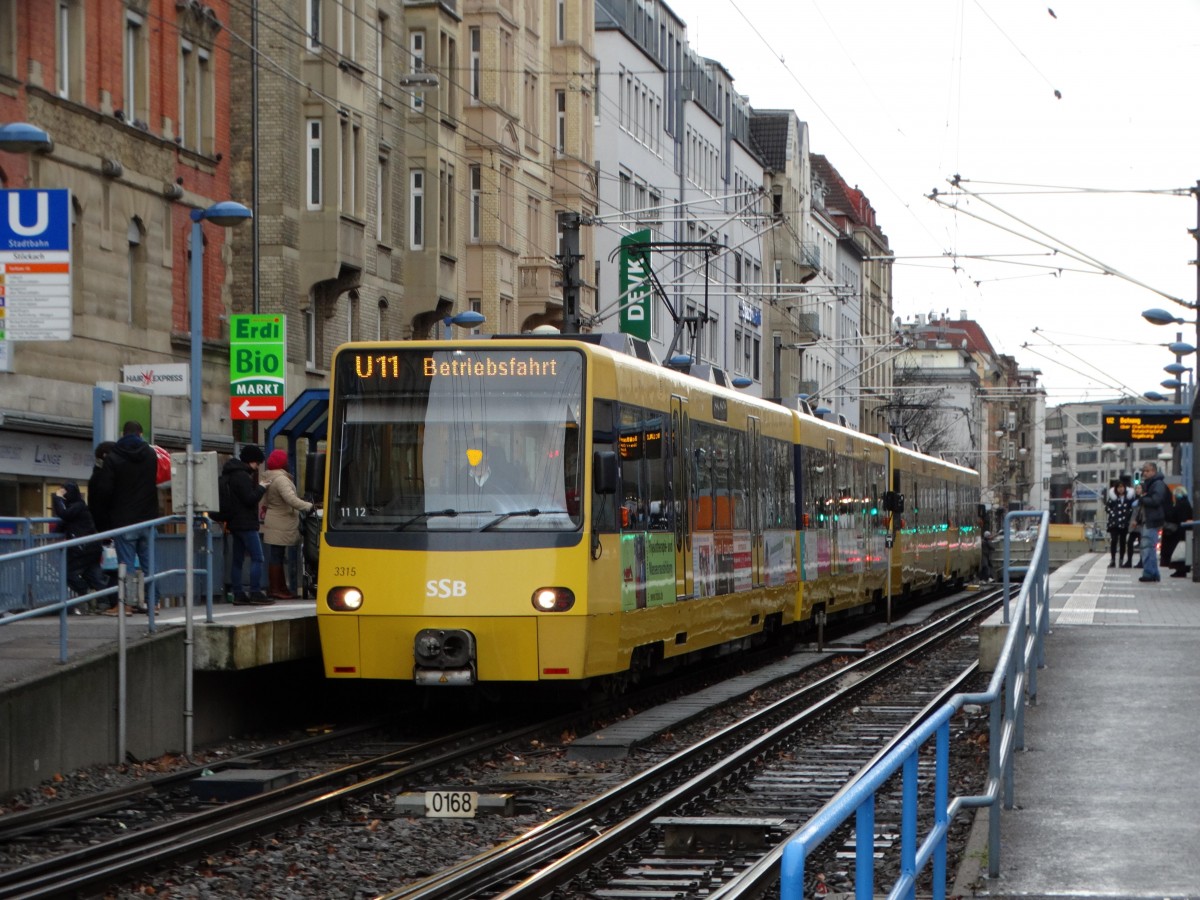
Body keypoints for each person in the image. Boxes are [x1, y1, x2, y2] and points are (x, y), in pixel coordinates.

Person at [89, 421, 159, 608]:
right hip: (148, 519)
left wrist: (106, 517)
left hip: (124, 520)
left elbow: (105, 490)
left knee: (126, 564)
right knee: (149, 563)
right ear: (141, 434)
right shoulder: (151, 455)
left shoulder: (113, 457)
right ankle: (154, 602)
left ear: (122, 433)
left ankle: (127, 605)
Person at [259, 449, 314, 599]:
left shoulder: (271, 477)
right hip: (281, 522)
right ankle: (277, 589)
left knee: (277, 555)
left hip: (276, 520)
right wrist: (309, 506)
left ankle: (279, 588)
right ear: (283, 463)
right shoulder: (281, 479)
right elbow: (290, 499)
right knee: (277, 555)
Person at [221, 445, 270, 605]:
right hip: (246, 524)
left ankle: (238, 593)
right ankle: (255, 591)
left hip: (235, 523)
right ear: (251, 461)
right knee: (258, 557)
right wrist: (262, 487)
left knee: (237, 560)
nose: (257, 468)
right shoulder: (242, 476)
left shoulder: (231, 474)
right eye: (257, 463)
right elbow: (249, 499)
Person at [51, 482, 107, 604]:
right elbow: (61, 525)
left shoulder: (78, 506)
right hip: (91, 548)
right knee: (93, 576)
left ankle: (88, 595)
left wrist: (58, 498)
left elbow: (64, 514)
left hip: (85, 549)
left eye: (64, 492)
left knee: (68, 573)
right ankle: (106, 602)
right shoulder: (78, 507)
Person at [1134, 461, 1170, 583]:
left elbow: (1156, 500)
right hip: (1150, 519)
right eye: (1144, 471)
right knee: (1149, 547)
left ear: (1154, 471)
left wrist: (1143, 499)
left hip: (1152, 520)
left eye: (1147, 471)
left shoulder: (1157, 484)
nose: (1144, 473)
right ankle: (1153, 573)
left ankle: (1149, 573)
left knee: (1147, 547)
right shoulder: (1153, 484)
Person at [1160, 486, 1193, 577]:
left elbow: (1174, 516)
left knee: (1178, 551)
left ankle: (1180, 570)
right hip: (1184, 530)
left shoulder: (1180, 504)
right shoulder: (1186, 503)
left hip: (1180, 532)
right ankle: (1181, 570)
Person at [1105, 480, 1134, 569]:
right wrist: (1113, 513)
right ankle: (1113, 559)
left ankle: (1121, 560)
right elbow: (1107, 508)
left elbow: (1132, 509)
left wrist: (1128, 516)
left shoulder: (1128, 499)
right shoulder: (1113, 499)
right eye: (1119, 487)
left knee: (1122, 541)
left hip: (1124, 523)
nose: (1120, 489)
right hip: (1114, 523)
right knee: (1114, 540)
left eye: (1122, 487)